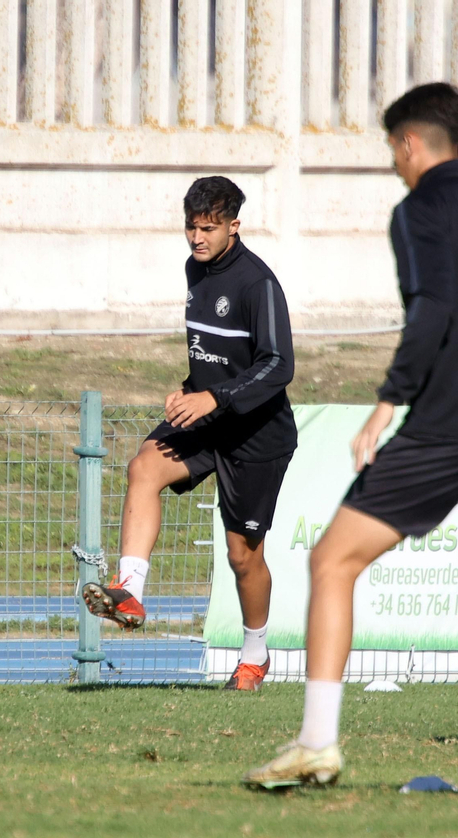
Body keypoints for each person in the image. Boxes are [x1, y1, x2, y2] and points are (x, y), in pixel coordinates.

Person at [241, 83, 458, 802]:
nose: (394, 165)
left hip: (448, 426)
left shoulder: (418, 211)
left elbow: (432, 308)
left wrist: (388, 403)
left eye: (392, 150)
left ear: (409, 143)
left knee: (331, 561)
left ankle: (316, 743)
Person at [81, 176, 297, 691]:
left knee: (243, 557)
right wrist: (189, 387)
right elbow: (215, 351)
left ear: (234, 226)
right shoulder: (194, 269)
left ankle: (255, 656)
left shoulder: (259, 285)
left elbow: (278, 365)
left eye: (208, 228)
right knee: (143, 467)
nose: (197, 238)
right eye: (191, 227)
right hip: (206, 418)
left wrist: (214, 396)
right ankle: (129, 591)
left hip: (256, 435)